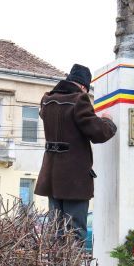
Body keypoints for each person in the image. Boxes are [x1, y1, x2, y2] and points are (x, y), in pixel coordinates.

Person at [35, 64, 117, 242]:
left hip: (51, 177)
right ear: (83, 86)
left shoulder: (47, 100)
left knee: (55, 230)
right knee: (75, 232)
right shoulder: (79, 100)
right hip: (74, 180)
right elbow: (97, 133)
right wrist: (108, 122)